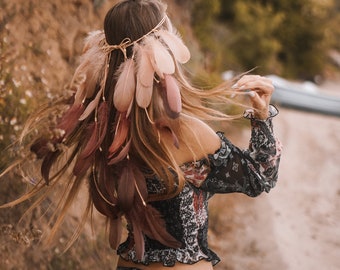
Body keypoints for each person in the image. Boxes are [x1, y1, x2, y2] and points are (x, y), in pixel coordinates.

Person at [1, 0, 282, 269]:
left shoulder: (103, 129)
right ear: (163, 52)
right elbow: (259, 177)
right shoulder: (185, 133)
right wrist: (261, 117)